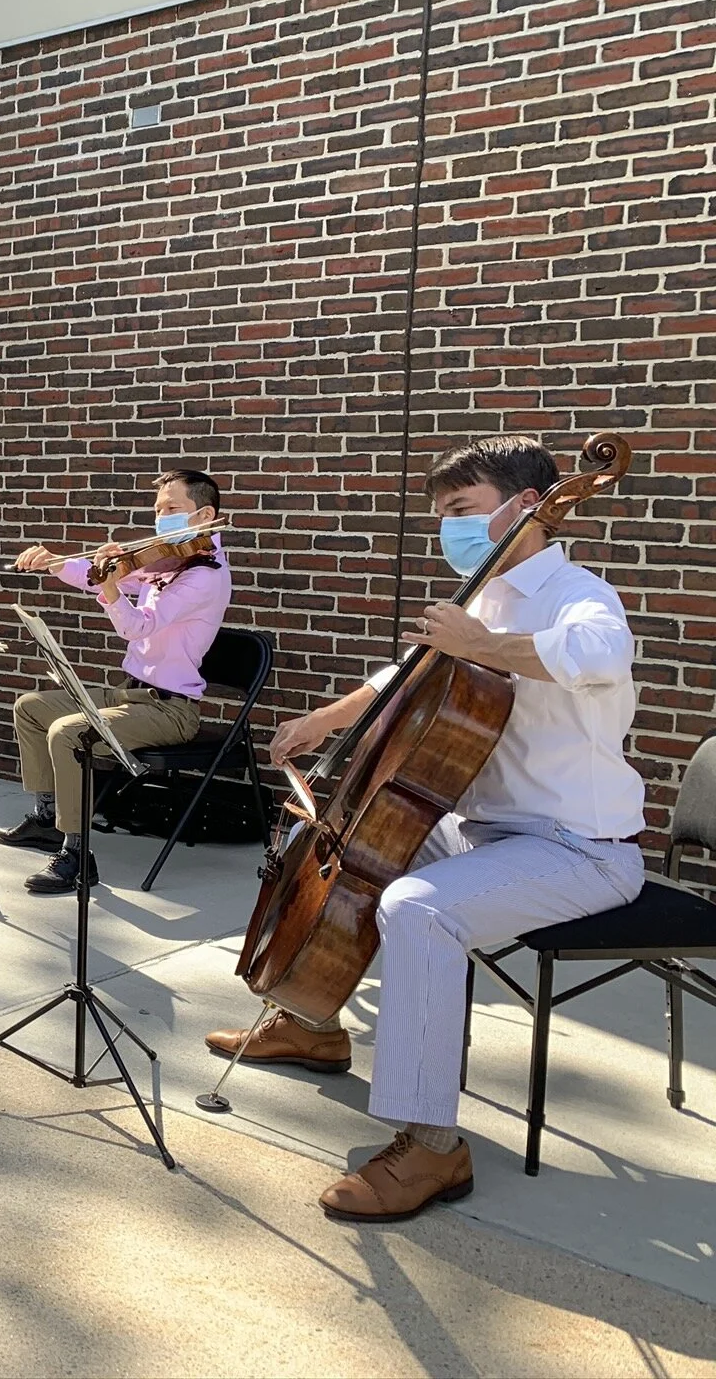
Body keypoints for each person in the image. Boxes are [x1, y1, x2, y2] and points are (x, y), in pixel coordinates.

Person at [209, 434, 645, 1222]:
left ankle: (434, 1146)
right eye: (442, 514)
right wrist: (324, 719)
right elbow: (404, 675)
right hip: (483, 830)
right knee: (348, 840)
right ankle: (312, 1021)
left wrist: (482, 645)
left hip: (577, 848)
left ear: (528, 507)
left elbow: (599, 655)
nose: (450, 529)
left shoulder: (582, 595)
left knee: (417, 907)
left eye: (463, 511)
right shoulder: (486, 594)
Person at [0, 469, 231, 895]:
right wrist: (53, 562)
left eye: (171, 509)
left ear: (204, 515)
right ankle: (48, 819)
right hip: (131, 693)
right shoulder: (166, 560)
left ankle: (76, 854)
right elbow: (97, 573)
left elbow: (138, 626)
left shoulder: (204, 575)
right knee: (30, 707)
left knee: (69, 734)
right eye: (158, 509)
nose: (160, 518)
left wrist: (110, 591)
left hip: (170, 709)